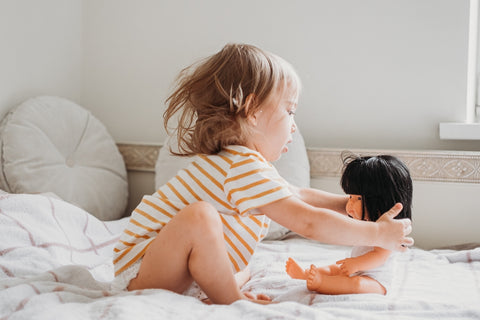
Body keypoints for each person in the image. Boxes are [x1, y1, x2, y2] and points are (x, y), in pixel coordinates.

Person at [112, 43, 413, 305]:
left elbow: (300, 195)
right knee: (200, 216)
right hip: (142, 271)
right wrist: (376, 234)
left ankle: (222, 284)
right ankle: (232, 299)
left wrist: (352, 203)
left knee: (240, 263)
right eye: (290, 111)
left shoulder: (247, 166)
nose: (294, 125)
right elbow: (307, 221)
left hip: (170, 268)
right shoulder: (240, 166)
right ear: (252, 109)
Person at [286, 154, 413, 295]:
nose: (349, 203)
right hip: (356, 268)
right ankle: (305, 274)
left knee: (356, 284)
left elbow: (379, 256)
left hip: (377, 281)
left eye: (357, 198)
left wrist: (357, 264)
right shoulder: (367, 223)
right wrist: (353, 265)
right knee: (334, 268)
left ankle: (321, 283)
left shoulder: (389, 231)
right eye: (350, 197)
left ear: (381, 200)